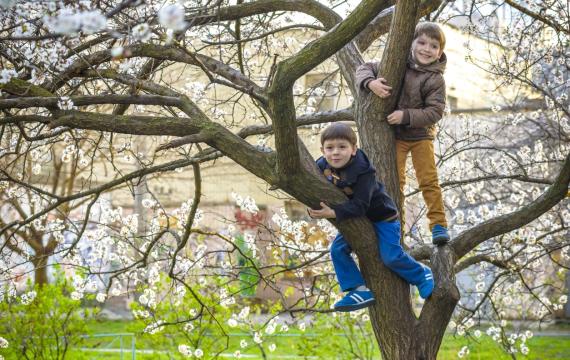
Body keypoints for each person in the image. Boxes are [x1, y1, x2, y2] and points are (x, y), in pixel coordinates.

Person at [308, 123, 434, 312]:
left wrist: (333, 213)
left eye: (342, 147)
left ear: (353, 149)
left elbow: (361, 205)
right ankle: (359, 290)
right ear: (322, 150)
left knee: (390, 257)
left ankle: (421, 274)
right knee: (337, 250)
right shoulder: (321, 165)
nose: (335, 152)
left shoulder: (364, 171)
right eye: (330, 148)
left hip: (382, 218)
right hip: (355, 219)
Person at [355, 22, 450, 245]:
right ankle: (397, 229)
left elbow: (435, 111)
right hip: (394, 137)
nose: (427, 49)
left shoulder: (435, 78)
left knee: (428, 180)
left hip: (420, 137)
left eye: (434, 46)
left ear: (440, 52)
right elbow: (363, 68)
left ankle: (438, 225)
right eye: (422, 42)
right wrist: (371, 84)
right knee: (393, 182)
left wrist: (405, 116)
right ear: (411, 43)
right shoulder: (396, 64)